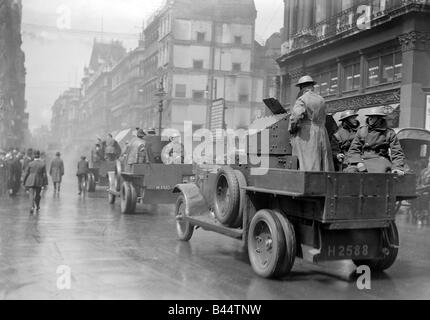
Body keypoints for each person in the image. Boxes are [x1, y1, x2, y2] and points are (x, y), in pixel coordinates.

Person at [289, 75, 334, 172]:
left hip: (307, 134)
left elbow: (296, 117)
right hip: (322, 132)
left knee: (307, 162)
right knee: (323, 162)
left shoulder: (301, 99)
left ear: (301, 87)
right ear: (312, 86)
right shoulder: (321, 99)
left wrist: (292, 129)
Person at [346, 106, 406, 175]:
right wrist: (358, 162)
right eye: (369, 117)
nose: (370, 119)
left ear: (379, 119)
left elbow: (397, 152)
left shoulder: (389, 133)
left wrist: (397, 168)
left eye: (373, 117)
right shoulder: (362, 131)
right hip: (363, 160)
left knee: (383, 174)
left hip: (381, 160)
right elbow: (353, 150)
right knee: (350, 171)